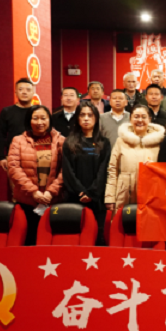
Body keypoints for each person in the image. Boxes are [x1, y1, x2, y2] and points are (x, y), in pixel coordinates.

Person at [8, 105, 64, 246]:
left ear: (49, 120)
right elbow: (14, 168)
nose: (40, 122)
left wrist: (51, 192)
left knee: (52, 241)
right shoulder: (18, 140)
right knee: (29, 240)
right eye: (35, 118)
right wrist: (34, 192)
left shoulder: (61, 140)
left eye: (43, 118)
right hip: (27, 200)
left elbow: (66, 170)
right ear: (29, 120)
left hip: (53, 200)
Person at [62, 101, 111, 245]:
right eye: (82, 115)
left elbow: (104, 169)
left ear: (96, 118)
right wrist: (80, 192)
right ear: (77, 118)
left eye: (90, 115)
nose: (86, 118)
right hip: (74, 198)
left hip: (97, 199)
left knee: (97, 238)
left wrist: (91, 193)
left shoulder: (104, 142)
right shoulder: (69, 142)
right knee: (76, 238)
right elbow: (67, 171)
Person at [105, 105, 166, 211]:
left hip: (151, 193)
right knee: (123, 220)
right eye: (136, 117)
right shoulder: (121, 141)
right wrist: (110, 197)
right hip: (124, 193)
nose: (140, 120)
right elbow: (112, 169)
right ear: (130, 118)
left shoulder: (159, 142)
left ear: (149, 119)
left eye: (144, 117)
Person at [0, 78, 35, 177]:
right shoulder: (7, 111)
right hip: (14, 156)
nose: (24, 92)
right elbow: (1, 135)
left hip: (36, 154)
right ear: (16, 92)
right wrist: (1, 157)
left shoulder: (38, 111)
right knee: (16, 185)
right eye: (21, 89)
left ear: (33, 92)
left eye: (28, 89)